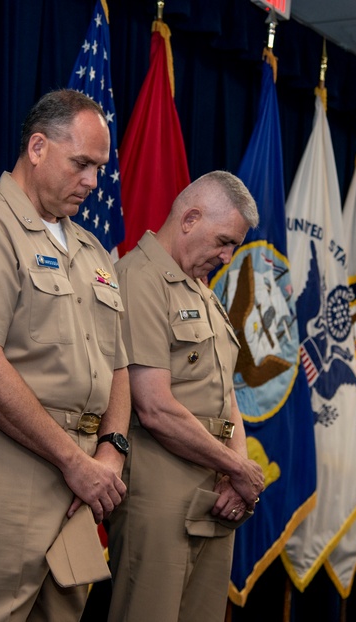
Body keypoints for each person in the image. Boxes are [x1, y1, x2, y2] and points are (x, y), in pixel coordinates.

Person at [0, 88, 130, 622]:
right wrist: (73, 461)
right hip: (1, 469)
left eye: (99, 168)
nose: (92, 181)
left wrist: (109, 451)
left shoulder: (90, 250)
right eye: (81, 163)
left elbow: (119, 365)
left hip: (80, 478)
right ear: (37, 147)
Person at [107, 171, 265, 622]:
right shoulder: (139, 279)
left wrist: (235, 469)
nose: (227, 256)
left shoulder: (200, 288)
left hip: (212, 484)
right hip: (159, 487)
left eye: (233, 246)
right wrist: (237, 467)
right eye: (223, 241)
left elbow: (226, 394)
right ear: (190, 218)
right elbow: (153, 406)